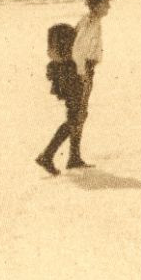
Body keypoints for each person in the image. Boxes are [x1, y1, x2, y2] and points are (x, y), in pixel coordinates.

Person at [36, 23, 88, 174]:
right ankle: (47, 155)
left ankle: (62, 156)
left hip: (68, 77)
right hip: (73, 78)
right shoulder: (86, 26)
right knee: (75, 117)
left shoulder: (57, 62)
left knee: (75, 116)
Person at [67, 0, 111, 168]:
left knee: (81, 113)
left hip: (84, 70)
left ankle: (74, 156)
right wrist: (82, 73)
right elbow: (77, 49)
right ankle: (73, 157)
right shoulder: (89, 22)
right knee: (80, 113)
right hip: (82, 71)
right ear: (98, 5)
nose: (109, 7)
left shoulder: (93, 21)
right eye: (106, 3)